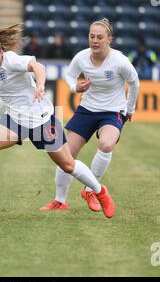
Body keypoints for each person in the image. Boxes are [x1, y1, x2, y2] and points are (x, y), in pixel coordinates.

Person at [0, 24, 115, 218]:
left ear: (1, 53)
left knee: (67, 165)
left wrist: (41, 85)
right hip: (14, 120)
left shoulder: (11, 61)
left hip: (41, 120)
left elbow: (38, 66)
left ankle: (99, 191)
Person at [43, 18, 140, 213]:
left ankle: (90, 189)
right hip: (87, 109)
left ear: (109, 40)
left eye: (100, 37)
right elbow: (69, 75)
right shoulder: (81, 57)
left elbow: (135, 82)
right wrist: (75, 87)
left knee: (106, 144)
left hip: (113, 111)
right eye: (92, 36)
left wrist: (130, 109)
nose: (95, 41)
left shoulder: (120, 61)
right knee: (66, 155)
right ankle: (60, 201)